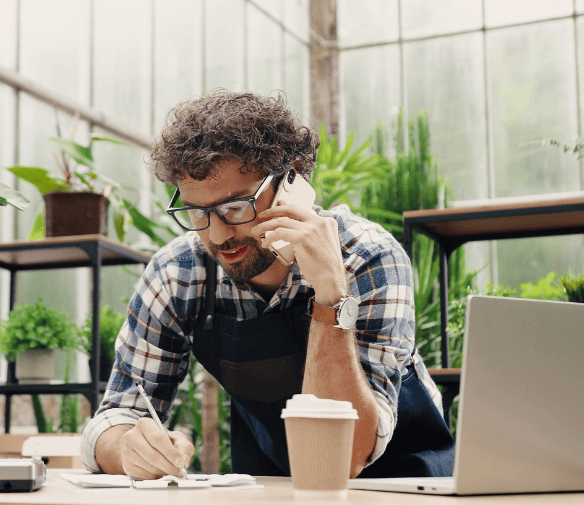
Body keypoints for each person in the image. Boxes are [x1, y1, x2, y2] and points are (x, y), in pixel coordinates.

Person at [80, 91, 454, 480]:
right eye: (198, 212)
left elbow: (344, 458)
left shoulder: (367, 257)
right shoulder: (179, 273)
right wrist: (129, 449)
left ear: (291, 178)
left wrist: (331, 296)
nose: (220, 233)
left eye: (236, 206)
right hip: (275, 487)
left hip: (405, 487)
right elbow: (117, 415)